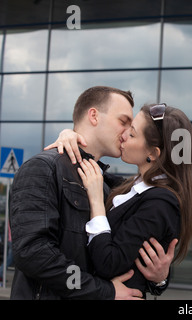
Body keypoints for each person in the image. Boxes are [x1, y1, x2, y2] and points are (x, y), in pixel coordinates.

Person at [9, 86, 173, 300]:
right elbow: (33, 254)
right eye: (123, 122)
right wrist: (103, 291)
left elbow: (128, 252)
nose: (126, 134)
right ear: (94, 116)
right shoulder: (43, 169)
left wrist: (160, 277)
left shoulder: (113, 188)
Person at [76, 102, 192, 296]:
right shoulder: (134, 187)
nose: (123, 135)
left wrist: (97, 202)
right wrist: (70, 137)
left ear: (153, 154)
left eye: (132, 134)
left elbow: (109, 263)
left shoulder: (160, 204)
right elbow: (94, 170)